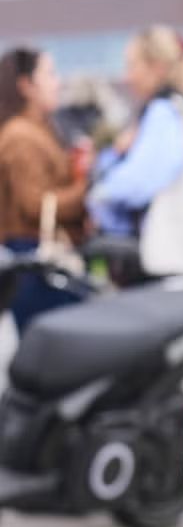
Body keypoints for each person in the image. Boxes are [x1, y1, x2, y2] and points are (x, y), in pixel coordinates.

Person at [87, 26, 183, 278]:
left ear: (158, 67)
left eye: (132, 66)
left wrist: (97, 192)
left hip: (161, 259)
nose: (127, 77)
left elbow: (141, 180)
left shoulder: (163, 111)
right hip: (181, 256)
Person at [0, 47, 91, 332]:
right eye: (49, 73)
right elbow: (37, 205)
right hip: (34, 261)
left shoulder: (38, 129)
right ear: (26, 85)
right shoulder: (20, 135)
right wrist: (85, 187)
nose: (57, 82)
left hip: (42, 258)